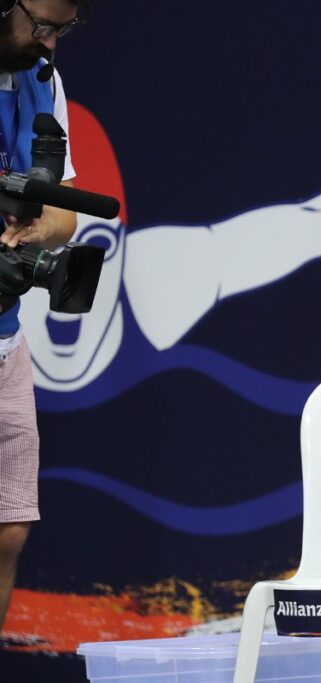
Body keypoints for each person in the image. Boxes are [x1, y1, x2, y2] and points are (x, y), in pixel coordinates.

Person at [0, 0, 89, 630]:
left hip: (6, 343)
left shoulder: (43, 80)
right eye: (41, 26)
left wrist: (35, 230)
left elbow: (65, 214)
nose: (50, 42)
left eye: (63, 29)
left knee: (8, 530)